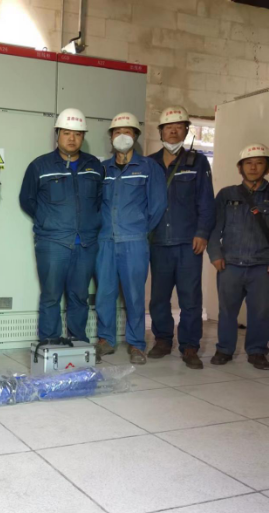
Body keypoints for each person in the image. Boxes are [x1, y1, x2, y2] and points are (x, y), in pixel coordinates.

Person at [20, 108, 103, 344]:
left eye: (77, 134)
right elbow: (27, 199)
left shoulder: (94, 166)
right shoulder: (40, 166)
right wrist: (48, 221)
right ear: (57, 134)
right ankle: (50, 343)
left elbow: (99, 200)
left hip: (85, 244)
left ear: (83, 136)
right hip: (52, 243)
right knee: (51, 296)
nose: (72, 138)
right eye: (66, 133)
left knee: (79, 296)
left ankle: (78, 342)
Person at [95, 112, 167, 365]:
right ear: (111, 137)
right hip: (105, 240)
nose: (122, 136)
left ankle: (136, 343)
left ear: (135, 136)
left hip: (134, 241)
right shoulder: (102, 168)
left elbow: (157, 205)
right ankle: (106, 340)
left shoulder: (148, 168)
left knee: (134, 295)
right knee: (104, 294)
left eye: (127, 131)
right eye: (117, 132)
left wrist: (139, 229)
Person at [148, 106, 215, 369]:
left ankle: (189, 346)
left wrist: (202, 233)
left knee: (190, 298)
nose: (173, 131)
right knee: (159, 297)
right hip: (158, 242)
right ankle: (163, 340)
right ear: (161, 131)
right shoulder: (150, 163)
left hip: (189, 243)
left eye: (179, 127)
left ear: (186, 130)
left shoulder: (198, 162)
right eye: (168, 127)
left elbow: (206, 202)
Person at [208, 143, 269, 371]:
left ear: (266, 167)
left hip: (262, 266)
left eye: (259, 162)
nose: (253, 167)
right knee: (227, 311)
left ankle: (257, 351)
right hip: (230, 264)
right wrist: (215, 254)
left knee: (261, 312)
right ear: (240, 167)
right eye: (248, 163)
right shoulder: (227, 194)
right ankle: (224, 349)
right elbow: (214, 228)